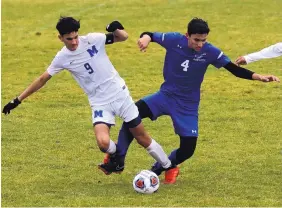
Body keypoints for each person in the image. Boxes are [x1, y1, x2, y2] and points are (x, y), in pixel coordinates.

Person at [100, 17, 280, 184]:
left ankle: (161, 168)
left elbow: (233, 69)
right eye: (196, 40)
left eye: (203, 40)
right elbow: (150, 34)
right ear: (187, 35)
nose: (200, 44)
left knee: (188, 149)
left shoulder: (210, 52)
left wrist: (259, 76)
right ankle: (118, 159)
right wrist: (146, 39)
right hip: (165, 96)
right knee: (133, 114)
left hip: (187, 105)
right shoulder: (173, 40)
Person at [2, 16, 173, 175]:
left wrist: (115, 28)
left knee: (142, 138)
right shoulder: (62, 58)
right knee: (103, 143)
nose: (74, 42)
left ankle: (169, 166)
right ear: (60, 38)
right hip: (99, 102)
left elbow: (123, 37)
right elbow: (42, 79)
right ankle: (117, 158)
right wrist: (18, 100)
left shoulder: (93, 39)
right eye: (69, 39)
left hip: (120, 95)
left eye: (76, 36)